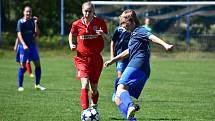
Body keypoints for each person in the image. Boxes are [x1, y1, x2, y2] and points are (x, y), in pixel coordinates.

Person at [104, 10, 173, 120]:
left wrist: (165, 45)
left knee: (120, 88)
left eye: (123, 23)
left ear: (131, 21)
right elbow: (128, 51)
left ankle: (131, 106)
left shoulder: (140, 30)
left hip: (137, 65)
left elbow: (151, 37)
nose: (122, 25)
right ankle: (132, 119)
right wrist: (113, 60)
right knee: (118, 98)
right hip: (143, 69)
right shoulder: (133, 35)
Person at [68, 1, 107, 111]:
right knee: (84, 84)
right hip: (82, 59)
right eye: (86, 11)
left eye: (90, 11)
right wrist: (71, 44)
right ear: (82, 11)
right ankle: (85, 111)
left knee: (93, 89)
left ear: (93, 11)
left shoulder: (100, 22)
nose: (88, 13)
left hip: (96, 60)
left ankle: (94, 107)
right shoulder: (77, 24)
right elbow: (71, 33)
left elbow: (107, 37)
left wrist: (102, 34)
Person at [16, 5, 46, 91]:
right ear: (24, 12)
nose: (28, 13)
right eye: (27, 11)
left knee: (38, 64)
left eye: (30, 12)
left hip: (32, 46)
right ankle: (20, 86)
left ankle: (37, 84)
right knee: (23, 66)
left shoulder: (32, 22)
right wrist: (24, 44)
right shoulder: (20, 22)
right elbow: (19, 34)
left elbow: (37, 33)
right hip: (23, 47)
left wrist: (36, 23)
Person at [110, 26, 130, 102]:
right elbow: (113, 42)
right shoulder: (118, 29)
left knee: (127, 76)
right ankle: (116, 92)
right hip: (119, 56)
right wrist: (112, 56)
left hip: (130, 56)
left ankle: (125, 94)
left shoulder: (133, 30)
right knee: (120, 75)